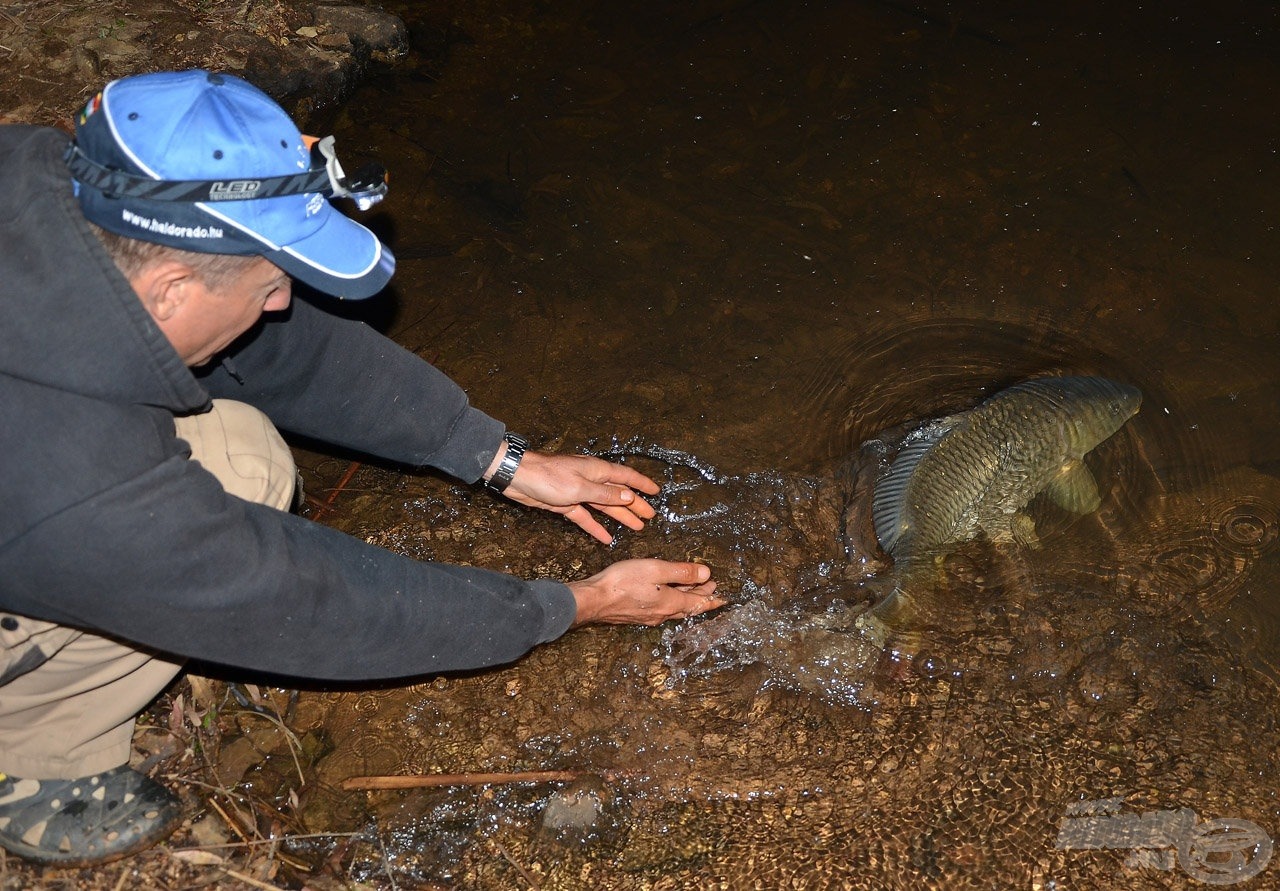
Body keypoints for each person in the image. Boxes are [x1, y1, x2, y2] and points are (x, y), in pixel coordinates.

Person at [0, 69, 724, 867]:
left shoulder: (40, 177)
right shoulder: (83, 481)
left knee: (233, 443)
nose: (281, 306)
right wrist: (571, 605)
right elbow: (299, 600)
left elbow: (283, 352)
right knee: (241, 475)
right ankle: (33, 761)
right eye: (274, 285)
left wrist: (501, 459)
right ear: (170, 288)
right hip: (41, 495)